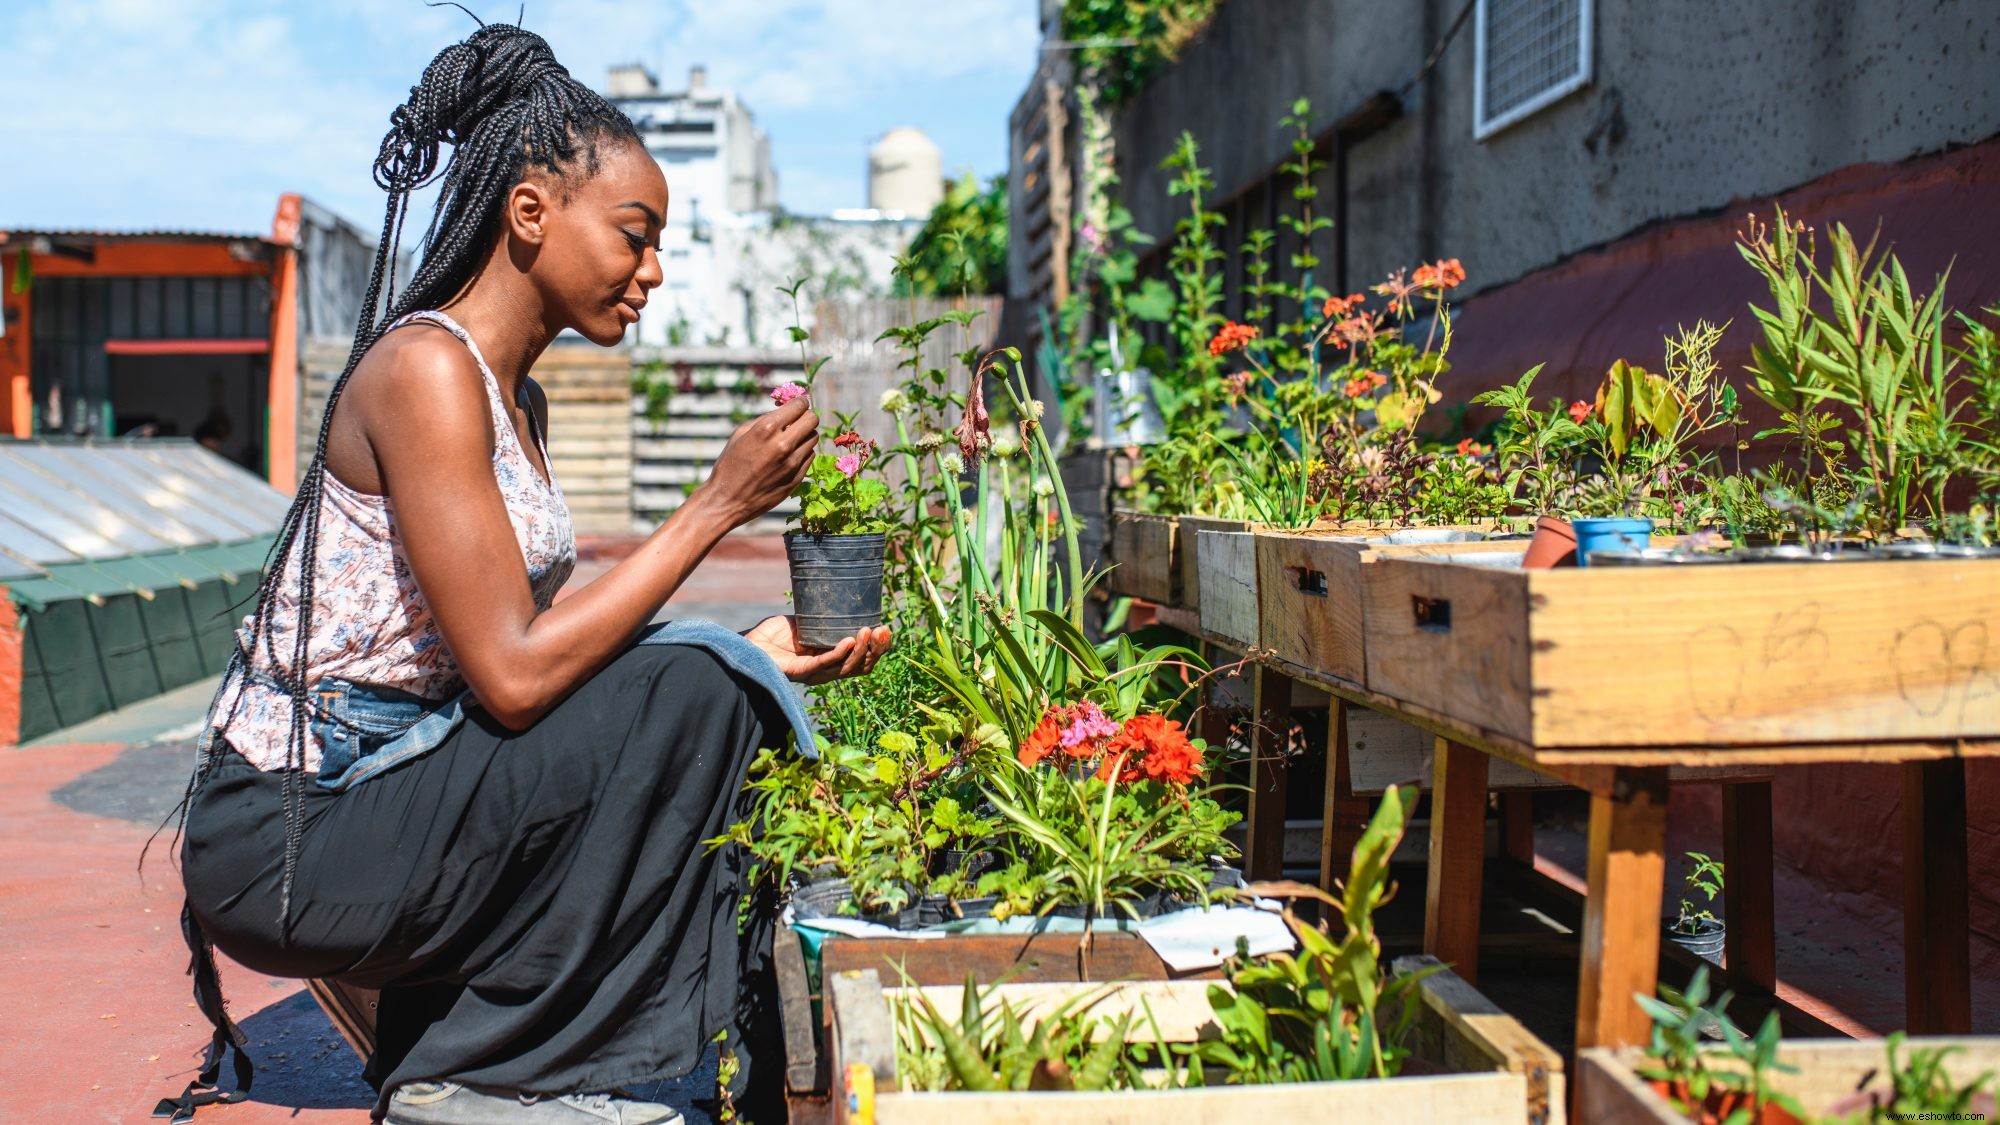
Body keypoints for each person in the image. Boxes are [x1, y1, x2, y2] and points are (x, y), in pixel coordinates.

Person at [166, 23, 890, 1125]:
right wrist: (714, 508)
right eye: (634, 236)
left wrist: (750, 651)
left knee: (707, 688)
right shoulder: (424, 372)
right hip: (288, 835)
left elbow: (554, 682)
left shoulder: (516, 399)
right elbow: (510, 679)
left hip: (391, 789)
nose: (650, 272)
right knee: (691, 691)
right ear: (531, 213)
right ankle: (488, 1078)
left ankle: (483, 1046)